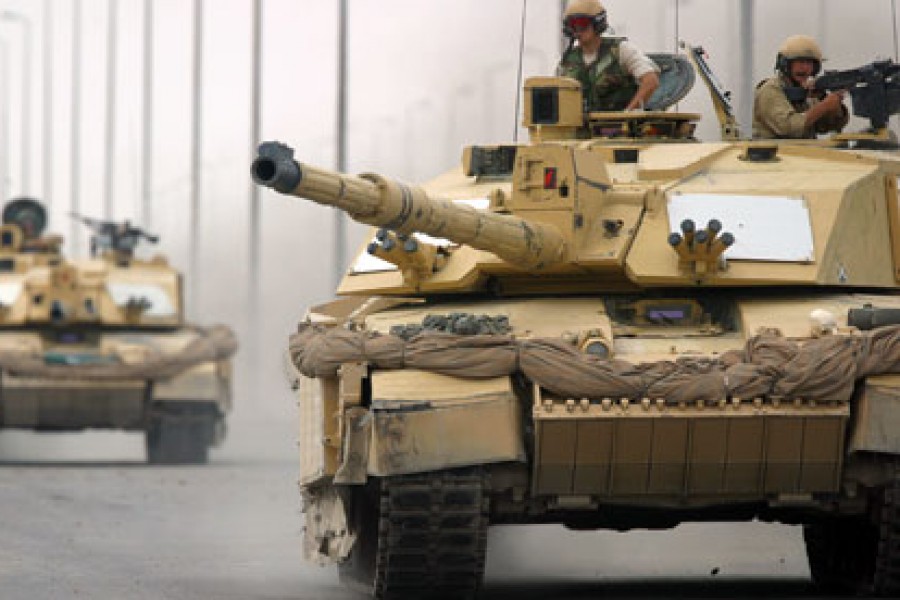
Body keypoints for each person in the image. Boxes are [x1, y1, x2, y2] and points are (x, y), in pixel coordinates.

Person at [556, 0, 660, 112]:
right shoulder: (567, 61)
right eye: (572, 25)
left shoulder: (621, 50)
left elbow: (651, 81)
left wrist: (627, 114)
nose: (577, 30)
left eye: (582, 23)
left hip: (620, 126)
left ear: (597, 23)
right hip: (580, 126)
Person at [753, 34, 849, 139]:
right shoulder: (770, 89)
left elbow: (825, 126)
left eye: (809, 63)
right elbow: (787, 127)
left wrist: (833, 104)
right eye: (800, 62)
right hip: (772, 153)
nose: (805, 68)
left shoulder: (807, 92)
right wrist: (824, 106)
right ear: (785, 64)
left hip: (803, 152)